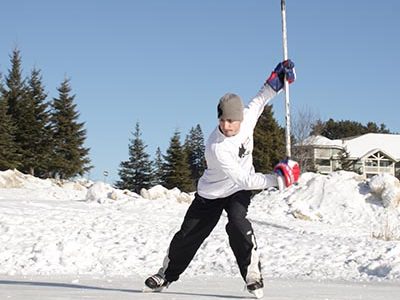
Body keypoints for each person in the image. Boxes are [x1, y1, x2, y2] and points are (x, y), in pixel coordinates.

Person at [144, 60, 300, 299]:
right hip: (212, 193)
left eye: (231, 121)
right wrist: (276, 179)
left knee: (238, 224)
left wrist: (278, 79)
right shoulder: (217, 147)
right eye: (222, 121)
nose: (226, 126)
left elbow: (261, 98)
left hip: (237, 192)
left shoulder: (246, 118)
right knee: (188, 235)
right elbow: (245, 179)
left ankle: (252, 277)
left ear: (240, 119)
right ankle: (166, 275)